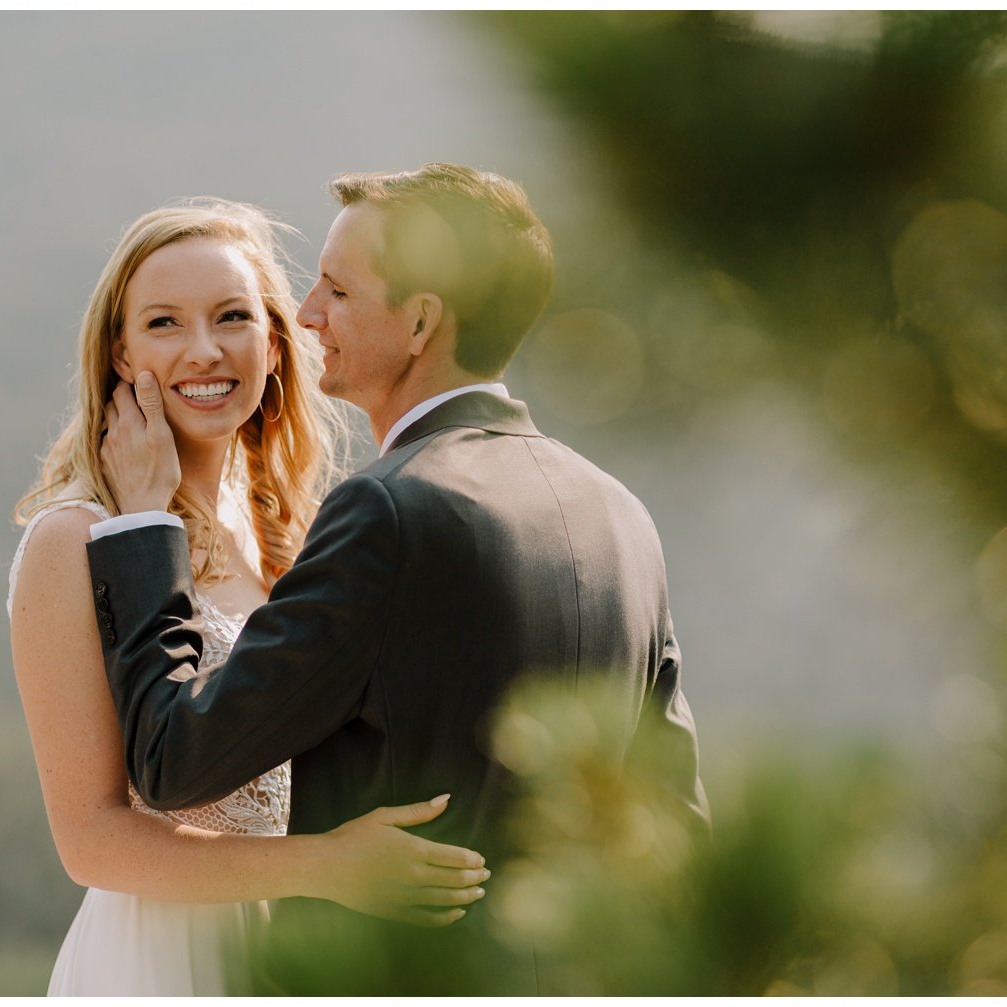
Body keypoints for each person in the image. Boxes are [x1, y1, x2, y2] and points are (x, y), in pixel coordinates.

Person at [87, 164, 709, 994]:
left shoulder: (387, 511)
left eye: (338, 291)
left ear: (420, 323)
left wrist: (142, 527)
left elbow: (175, 759)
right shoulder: (621, 514)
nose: (305, 315)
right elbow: (675, 822)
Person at [8, 198, 490, 996]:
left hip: (293, 950)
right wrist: (332, 866)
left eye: (232, 316)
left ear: (273, 342)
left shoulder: (292, 527)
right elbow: (90, 840)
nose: (204, 351)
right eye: (164, 324)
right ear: (121, 355)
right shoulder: (74, 539)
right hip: (159, 956)